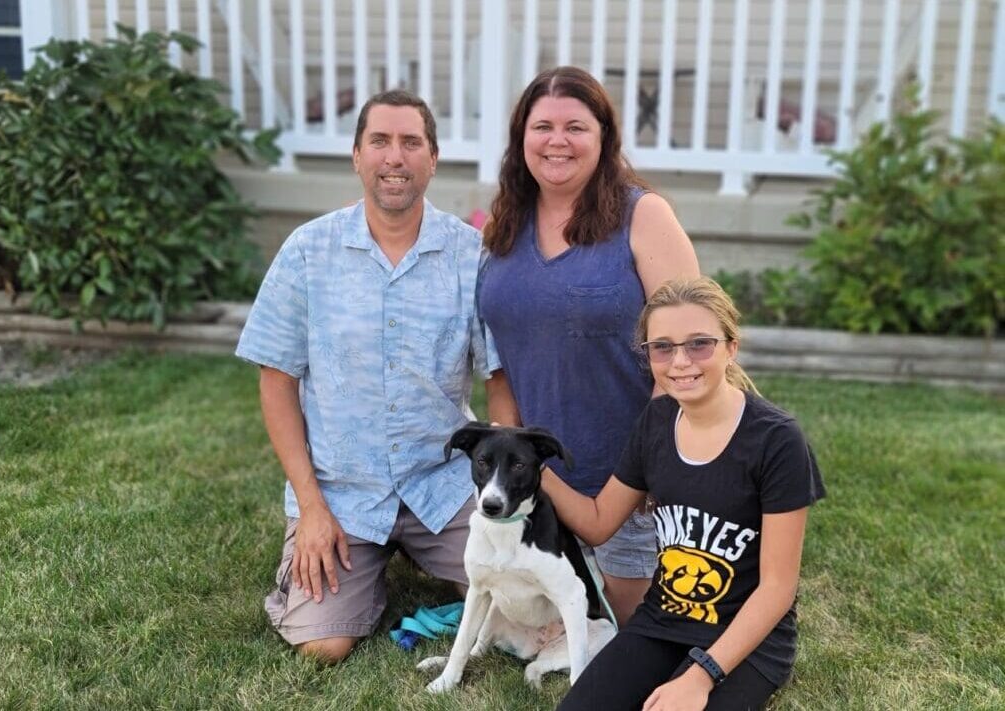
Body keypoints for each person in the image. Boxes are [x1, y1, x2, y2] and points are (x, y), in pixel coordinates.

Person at [235, 90, 512, 664]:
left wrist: (510, 487)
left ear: (432, 158)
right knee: (323, 644)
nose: (395, 158)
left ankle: (423, 560)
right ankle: (343, 570)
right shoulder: (307, 251)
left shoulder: (471, 255)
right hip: (342, 493)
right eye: (380, 142)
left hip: (442, 486)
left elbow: (499, 377)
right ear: (357, 156)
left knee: (516, 616)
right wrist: (311, 507)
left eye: (411, 142)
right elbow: (276, 381)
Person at [479, 66, 700, 626]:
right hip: (537, 485)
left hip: (633, 480)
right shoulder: (504, 227)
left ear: (604, 137)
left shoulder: (642, 215)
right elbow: (498, 367)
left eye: (575, 126)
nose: (557, 141)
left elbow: (688, 354)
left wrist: (646, 472)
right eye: (542, 126)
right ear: (520, 139)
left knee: (639, 635)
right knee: (540, 622)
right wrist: (520, 472)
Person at [549, 277, 826, 710]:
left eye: (699, 344)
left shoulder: (776, 440)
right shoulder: (656, 422)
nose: (680, 361)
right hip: (661, 623)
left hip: (747, 641)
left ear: (731, 347)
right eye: (662, 347)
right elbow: (599, 523)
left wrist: (701, 677)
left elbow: (778, 587)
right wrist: (531, 465)